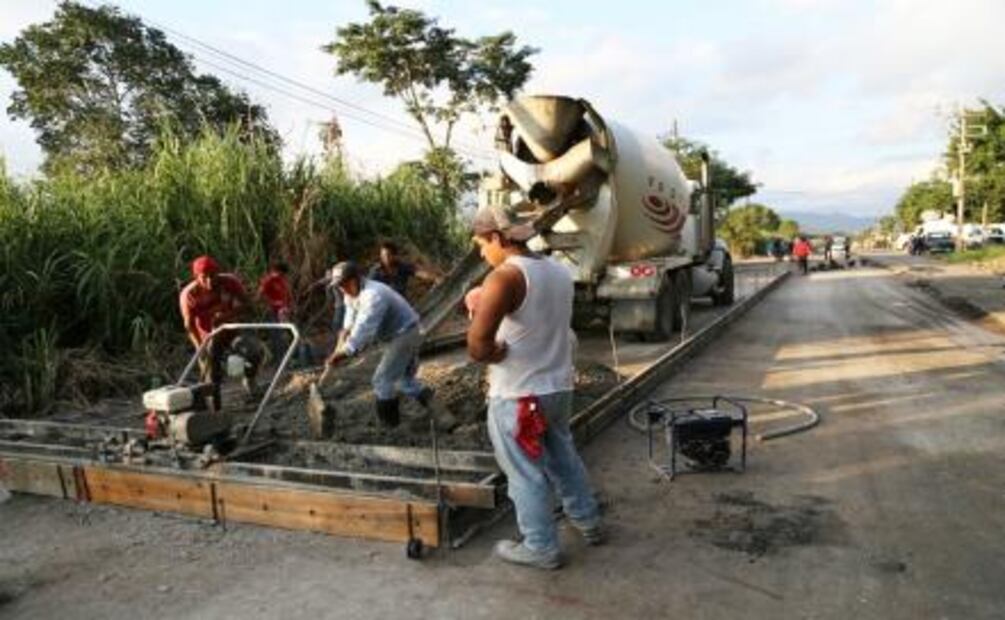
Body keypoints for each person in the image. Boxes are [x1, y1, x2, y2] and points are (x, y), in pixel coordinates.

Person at [467, 204, 602, 570]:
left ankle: (540, 546)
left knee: (525, 472)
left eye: (482, 244)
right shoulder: (557, 271)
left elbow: (478, 347)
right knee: (563, 457)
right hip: (557, 387)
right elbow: (535, 321)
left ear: (496, 237)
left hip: (519, 394)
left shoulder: (505, 277)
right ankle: (588, 521)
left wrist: (493, 345)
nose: (482, 253)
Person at [324, 261, 433, 427]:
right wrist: (344, 333)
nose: (342, 289)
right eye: (339, 286)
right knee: (404, 381)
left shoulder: (373, 295)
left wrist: (343, 352)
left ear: (355, 279)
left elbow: (364, 329)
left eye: (344, 284)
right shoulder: (351, 292)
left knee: (382, 380)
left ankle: (390, 426)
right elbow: (350, 317)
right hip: (400, 334)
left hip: (405, 334)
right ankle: (439, 411)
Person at [179, 255, 261, 409]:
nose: (210, 281)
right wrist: (200, 347)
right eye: (204, 278)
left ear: (218, 273)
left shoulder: (229, 282)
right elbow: (189, 326)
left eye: (213, 276)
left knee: (254, 351)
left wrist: (226, 316)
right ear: (196, 277)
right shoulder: (189, 294)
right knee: (211, 379)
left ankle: (249, 380)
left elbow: (248, 305)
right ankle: (216, 412)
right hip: (207, 338)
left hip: (231, 331)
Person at [368, 240, 440, 299]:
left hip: (402, 304)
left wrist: (435, 278)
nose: (385, 258)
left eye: (388, 255)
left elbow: (420, 273)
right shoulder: (376, 273)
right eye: (382, 256)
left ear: (394, 255)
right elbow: (368, 291)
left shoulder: (402, 267)